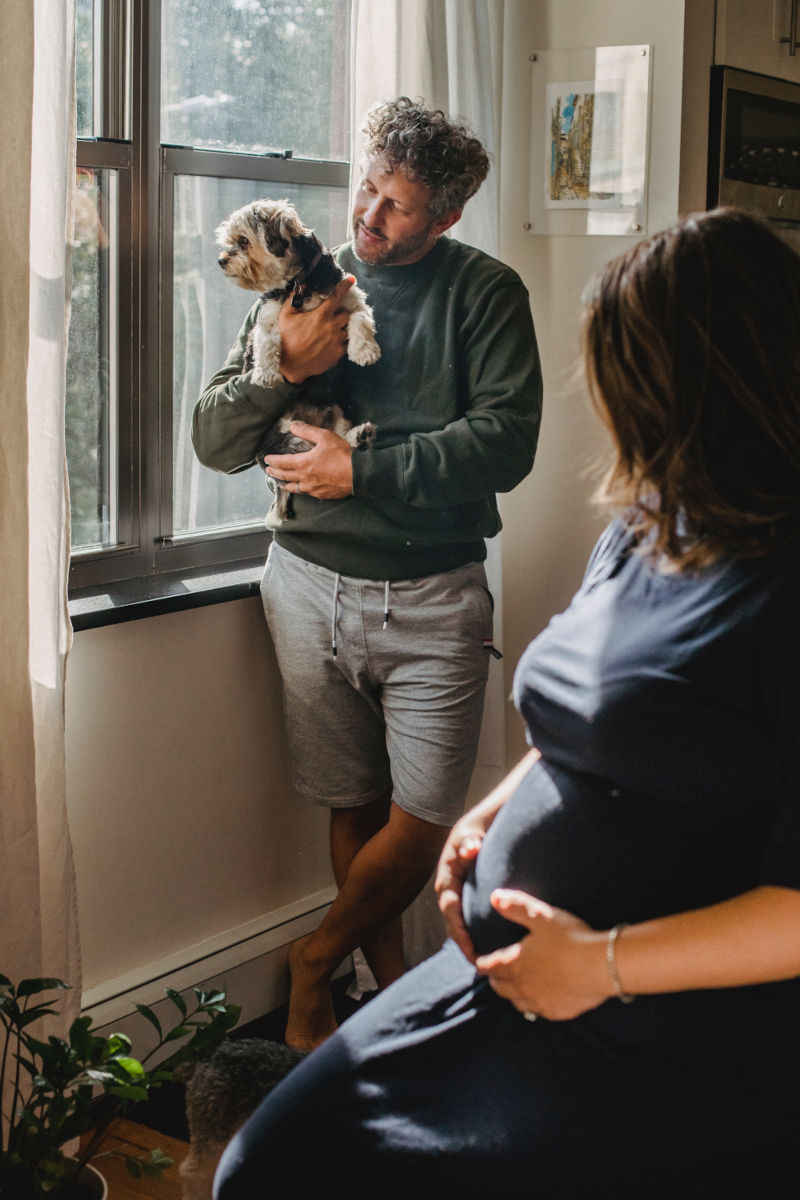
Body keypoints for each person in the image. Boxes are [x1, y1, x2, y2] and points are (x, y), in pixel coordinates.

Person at [213, 208, 800, 1193]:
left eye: (628, 371)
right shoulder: (651, 524)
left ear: (713, 382)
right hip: (513, 964)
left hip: (654, 1005)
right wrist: (486, 819)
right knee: (269, 1163)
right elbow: (593, 723)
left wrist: (601, 964)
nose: (612, 404)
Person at [193, 97, 542, 1052]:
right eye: (368, 189)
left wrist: (363, 469)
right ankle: (388, 1007)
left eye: (398, 204)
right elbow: (212, 442)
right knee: (352, 801)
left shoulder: (485, 293)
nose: (368, 215)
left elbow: (506, 441)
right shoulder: (303, 284)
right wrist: (281, 370)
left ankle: (313, 962)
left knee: (423, 818)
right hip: (305, 586)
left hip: (434, 595)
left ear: (446, 217)